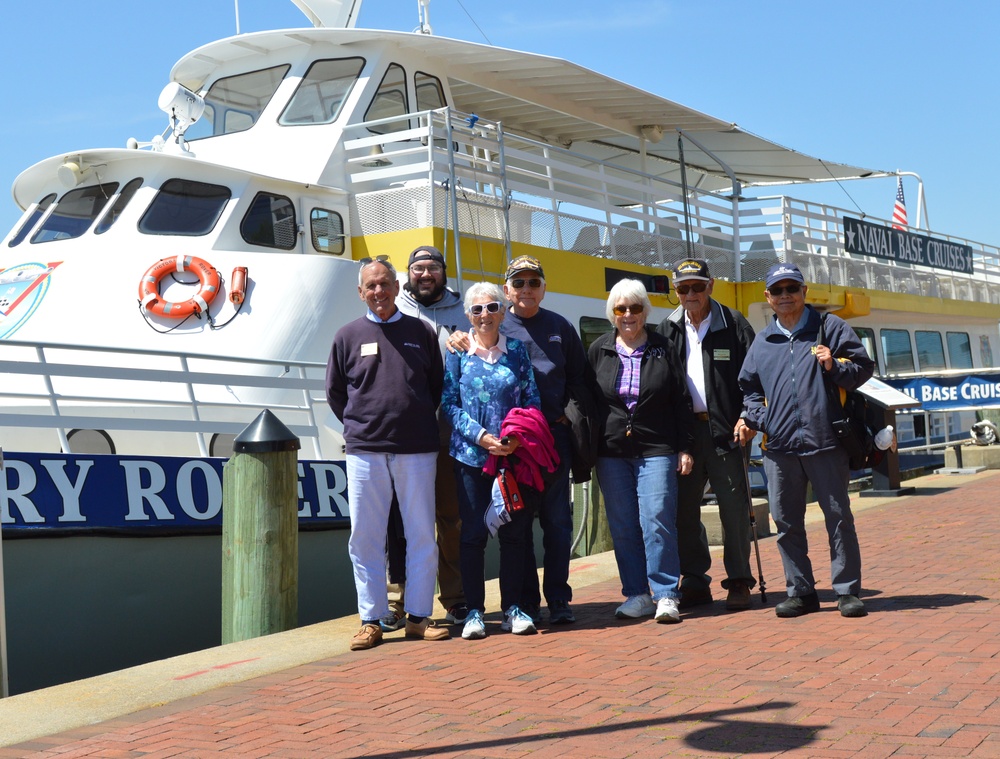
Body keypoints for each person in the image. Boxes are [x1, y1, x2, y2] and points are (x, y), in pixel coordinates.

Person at [326, 256, 451, 650]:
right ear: (361, 292)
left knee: (420, 535)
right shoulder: (346, 336)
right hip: (365, 450)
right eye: (370, 286)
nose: (378, 291)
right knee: (365, 537)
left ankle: (417, 616)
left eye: (384, 283)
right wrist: (365, 424)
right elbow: (336, 393)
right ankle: (371, 619)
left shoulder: (421, 332)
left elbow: (435, 386)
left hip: (417, 449)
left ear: (397, 287)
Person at [738, 262, 875, 618]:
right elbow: (749, 389)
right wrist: (763, 419)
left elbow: (862, 369)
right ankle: (801, 592)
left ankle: (846, 591)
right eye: (778, 290)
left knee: (838, 517)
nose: (786, 296)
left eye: (792, 289)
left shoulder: (829, 327)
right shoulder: (763, 341)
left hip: (826, 442)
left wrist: (834, 366)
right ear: (768, 297)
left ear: (803, 292)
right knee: (786, 523)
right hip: (779, 449)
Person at [588, 279, 695, 623]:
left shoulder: (663, 348)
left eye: (635, 308)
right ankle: (637, 594)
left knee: (657, 520)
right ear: (612, 314)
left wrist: (685, 447)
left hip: (657, 447)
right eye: (621, 309)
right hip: (612, 450)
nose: (629, 315)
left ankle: (665, 594)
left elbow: (681, 400)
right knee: (622, 525)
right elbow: (589, 401)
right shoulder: (599, 349)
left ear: (645, 311)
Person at [442, 282, 543, 638]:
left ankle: (513, 608)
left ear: (502, 311)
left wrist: (515, 438)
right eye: (477, 310)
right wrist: (480, 437)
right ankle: (473, 612)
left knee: (515, 534)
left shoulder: (517, 351)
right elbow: (449, 404)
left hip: (511, 458)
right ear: (468, 315)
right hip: (471, 457)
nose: (484, 315)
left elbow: (532, 399)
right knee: (472, 535)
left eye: (492, 308)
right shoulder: (458, 352)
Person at [656, 259, 758, 612]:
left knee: (734, 509)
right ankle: (695, 579)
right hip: (685, 433)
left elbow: (755, 379)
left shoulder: (734, 324)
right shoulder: (666, 330)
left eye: (697, 287)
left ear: (710, 286)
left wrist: (749, 417)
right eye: (683, 288)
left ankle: (740, 580)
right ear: (676, 291)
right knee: (683, 511)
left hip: (728, 431)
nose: (690, 294)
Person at [382, 245, 470, 631]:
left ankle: (455, 599)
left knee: (451, 521)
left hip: (451, 432)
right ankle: (397, 602)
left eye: (432, 267)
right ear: (408, 274)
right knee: (402, 521)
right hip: (408, 434)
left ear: (443, 272)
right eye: (418, 268)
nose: (425, 274)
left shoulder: (465, 310)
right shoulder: (394, 311)